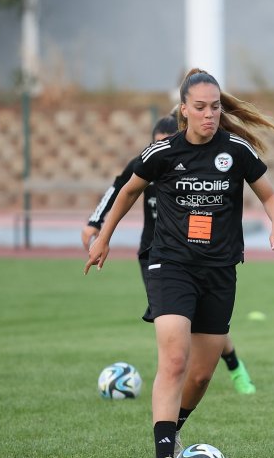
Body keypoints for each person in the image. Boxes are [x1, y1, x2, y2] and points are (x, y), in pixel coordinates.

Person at [85, 69, 274, 458]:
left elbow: (269, 194)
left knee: (200, 375)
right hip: (170, 265)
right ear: (183, 109)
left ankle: (174, 426)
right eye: (200, 107)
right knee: (175, 359)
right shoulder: (162, 152)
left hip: (219, 271)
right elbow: (126, 191)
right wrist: (103, 237)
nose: (209, 115)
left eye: (215, 107)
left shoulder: (235, 150)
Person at [82, 117, 257, 395]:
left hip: (198, 256)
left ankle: (233, 367)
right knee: (177, 324)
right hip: (156, 256)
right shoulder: (148, 163)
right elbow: (119, 190)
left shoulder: (191, 165)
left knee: (200, 324)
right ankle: (175, 374)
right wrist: (95, 223)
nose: (163, 147)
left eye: (167, 140)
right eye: (157, 142)